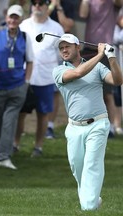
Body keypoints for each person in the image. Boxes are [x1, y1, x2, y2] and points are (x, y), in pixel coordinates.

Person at [53, 33, 122, 210]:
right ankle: (92, 200)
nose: (64, 50)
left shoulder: (98, 67)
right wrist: (100, 54)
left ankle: (88, 207)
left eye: (67, 46)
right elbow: (77, 73)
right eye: (61, 48)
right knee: (78, 168)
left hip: (98, 124)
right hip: (74, 127)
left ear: (78, 47)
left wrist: (111, 57)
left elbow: (117, 80)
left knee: (92, 164)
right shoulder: (59, 71)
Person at [0, 5, 33, 169]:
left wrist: (26, 82)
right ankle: (2, 155)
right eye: (11, 17)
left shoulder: (25, 37)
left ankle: (3, 157)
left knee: (9, 122)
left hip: (17, 86)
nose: (13, 20)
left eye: (17, 17)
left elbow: (30, 61)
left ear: (20, 20)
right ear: (6, 17)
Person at [19, 0, 64, 157]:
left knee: (43, 113)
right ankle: (15, 144)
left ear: (47, 6)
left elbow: (61, 53)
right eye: (34, 2)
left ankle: (38, 147)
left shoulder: (56, 28)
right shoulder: (23, 25)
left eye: (41, 3)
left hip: (46, 78)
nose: (37, 6)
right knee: (21, 112)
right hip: (25, 77)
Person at [79, 0, 123, 138]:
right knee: (88, 90)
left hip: (105, 50)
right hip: (88, 49)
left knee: (107, 93)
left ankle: (110, 128)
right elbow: (82, 14)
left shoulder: (112, 3)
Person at [45, 0, 75, 139]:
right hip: (42, 50)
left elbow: (67, 25)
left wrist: (58, 7)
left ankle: (49, 126)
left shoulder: (68, 4)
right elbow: (43, 15)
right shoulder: (42, 3)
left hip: (59, 49)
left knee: (55, 91)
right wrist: (51, 6)